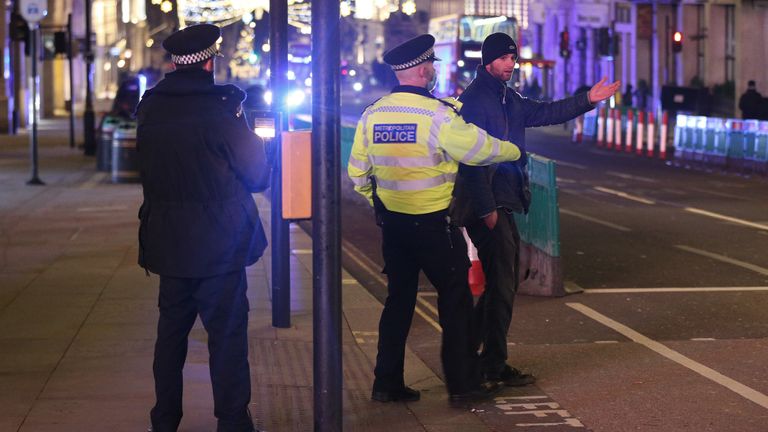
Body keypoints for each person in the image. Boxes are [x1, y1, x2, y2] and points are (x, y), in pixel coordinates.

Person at [348, 34, 524, 406]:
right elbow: (478, 148)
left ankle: (387, 382)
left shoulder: (373, 113)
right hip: (433, 225)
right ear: (425, 69)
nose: (433, 70)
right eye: (432, 65)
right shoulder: (438, 115)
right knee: (456, 302)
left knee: (398, 302)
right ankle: (462, 387)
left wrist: (381, 206)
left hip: (394, 227)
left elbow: (358, 174)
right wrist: (513, 150)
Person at [451, 32, 619, 388]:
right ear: (488, 60)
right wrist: (486, 209)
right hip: (488, 204)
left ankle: (471, 353)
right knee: (501, 285)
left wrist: (588, 99)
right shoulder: (476, 100)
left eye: (514, 58)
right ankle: (488, 362)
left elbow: (545, 112)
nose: (512, 64)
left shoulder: (507, 97)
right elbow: (470, 160)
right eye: (505, 58)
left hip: (504, 201)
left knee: (502, 283)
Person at [136, 24, 270, 432]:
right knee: (227, 337)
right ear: (211, 62)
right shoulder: (221, 108)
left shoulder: (151, 106)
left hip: (169, 240)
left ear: (175, 63)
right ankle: (232, 421)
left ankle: (164, 420)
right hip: (219, 244)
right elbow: (257, 175)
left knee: (170, 335)